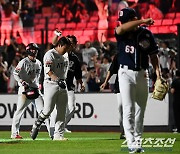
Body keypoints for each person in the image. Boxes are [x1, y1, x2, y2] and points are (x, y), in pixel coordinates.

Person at [115, 7, 161, 153]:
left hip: (143, 74)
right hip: (125, 73)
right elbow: (121, 29)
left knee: (140, 111)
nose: (122, 23)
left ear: (133, 18)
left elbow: (154, 56)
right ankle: (131, 143)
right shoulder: (122, 32)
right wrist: (142, 21)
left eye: (125, 20)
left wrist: (159, 75)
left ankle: (138, 142)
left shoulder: (146, 34)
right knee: (129, 109)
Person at [30, 36, 71, 141]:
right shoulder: (49, 54)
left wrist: (63, 81)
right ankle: (37, 123)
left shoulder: (65, 54)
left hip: (63, 84)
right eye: (65, 48)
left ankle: (58, 135)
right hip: (51, 83)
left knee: (62, 111)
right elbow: (48, 71)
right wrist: (58, 80)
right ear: (60, 45)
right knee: (48, 110)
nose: (66, 50)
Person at [11, 43, 50, 139]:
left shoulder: (39, 63)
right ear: (28, 50)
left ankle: (52, 133)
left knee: (45, 111)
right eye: (32, 50)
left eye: (35, 50)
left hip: (36, 90)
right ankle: (14, 134)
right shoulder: (23, 62)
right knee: (19, 112)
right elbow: (15, 73)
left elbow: (38, 78)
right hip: (25, 90)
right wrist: (21, 81)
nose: (34, 51)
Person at [50, 32, 85, 135]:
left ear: (74, 45)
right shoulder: (58, 53)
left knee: (72, 107)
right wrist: (56, 35)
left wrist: (81, 84)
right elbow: (53, 44)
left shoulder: (75, 58)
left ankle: (61, 125)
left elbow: (78, 74)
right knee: (56, 109)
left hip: (69, 86)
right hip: (56, 84)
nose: (69, 44)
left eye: (71, 42)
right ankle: (55, 128)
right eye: (68, 42)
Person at [100, 53, 125, 139]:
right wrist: (105, 82)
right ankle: (124, 132)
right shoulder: (119, 55)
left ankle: (133, 131)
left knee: (132, 109)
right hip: (120, 85)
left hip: (134, 85)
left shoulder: (137, 53)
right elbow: (111, 70)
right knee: (121, 109)